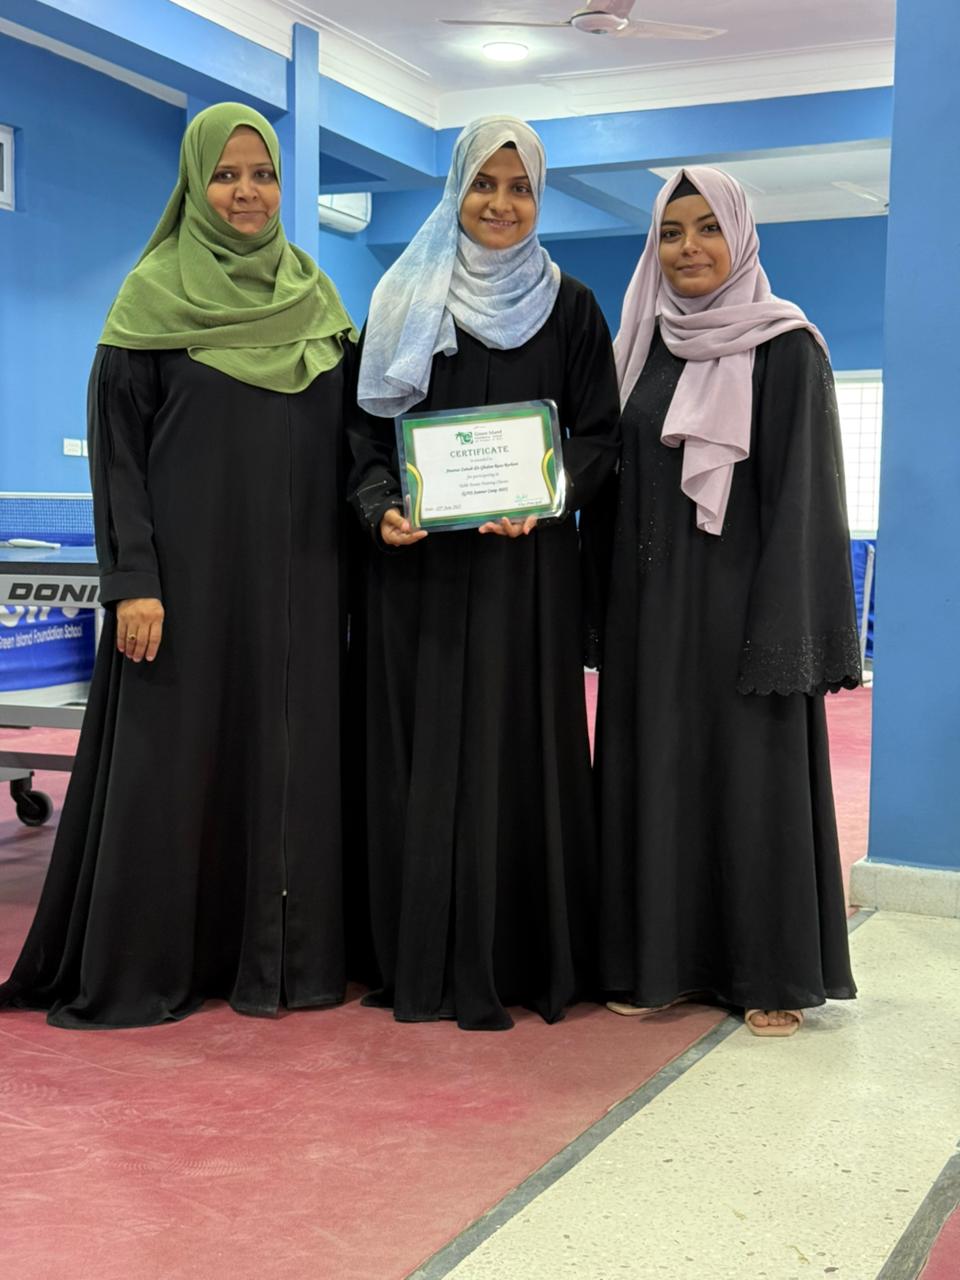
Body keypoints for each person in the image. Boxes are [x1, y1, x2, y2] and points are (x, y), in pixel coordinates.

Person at [0, 103, 356, 1028]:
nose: (247, 193)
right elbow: (118, 459)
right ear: (195, 185)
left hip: (303, 590)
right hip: (185, 593)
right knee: (174, 770)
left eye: (263, 175)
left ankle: (281, 960)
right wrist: (134, 583)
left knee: (288, 766)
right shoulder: (149, 300)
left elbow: (356, 446)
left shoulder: (317, 302)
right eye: (226, 175)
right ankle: (159, 962)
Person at [348, 116, 621, 1031]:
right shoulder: (403, 295)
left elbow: (600, 435)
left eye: (520, 188)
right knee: (419, 752)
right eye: (484, 185)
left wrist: (549, 494)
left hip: (524, 578)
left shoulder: (571, 306)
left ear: (540, 199)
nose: (501, 205)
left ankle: (523, 957)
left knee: (519, 747)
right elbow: (362, 434)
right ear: (456, 190)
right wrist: (380, 505)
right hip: (419, 577)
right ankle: (415, 955)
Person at [592, 167, 860, 1037]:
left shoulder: (787, 348)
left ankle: (768, 972)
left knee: (752, 787)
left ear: (740, 236)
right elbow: (606, 478)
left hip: (745, 614)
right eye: (671, 233)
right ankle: (661, 966)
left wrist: (785, 631)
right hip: (650, 615)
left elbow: (804, 501)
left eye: (708, 228)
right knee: (656, 778)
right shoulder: (641, 348)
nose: (689, 248)